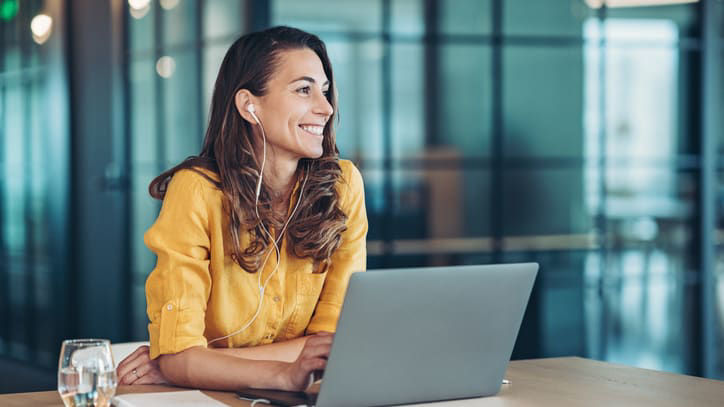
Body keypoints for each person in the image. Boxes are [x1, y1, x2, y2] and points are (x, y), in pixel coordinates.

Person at [115, 26, 367, 391]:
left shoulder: (344, 186)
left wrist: (191, 365)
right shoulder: (198, 191)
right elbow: (180, 354)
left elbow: (331, 348)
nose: (325, 108)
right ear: (250, 105)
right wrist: (280, 370)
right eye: (303, 90)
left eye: (325, 91)